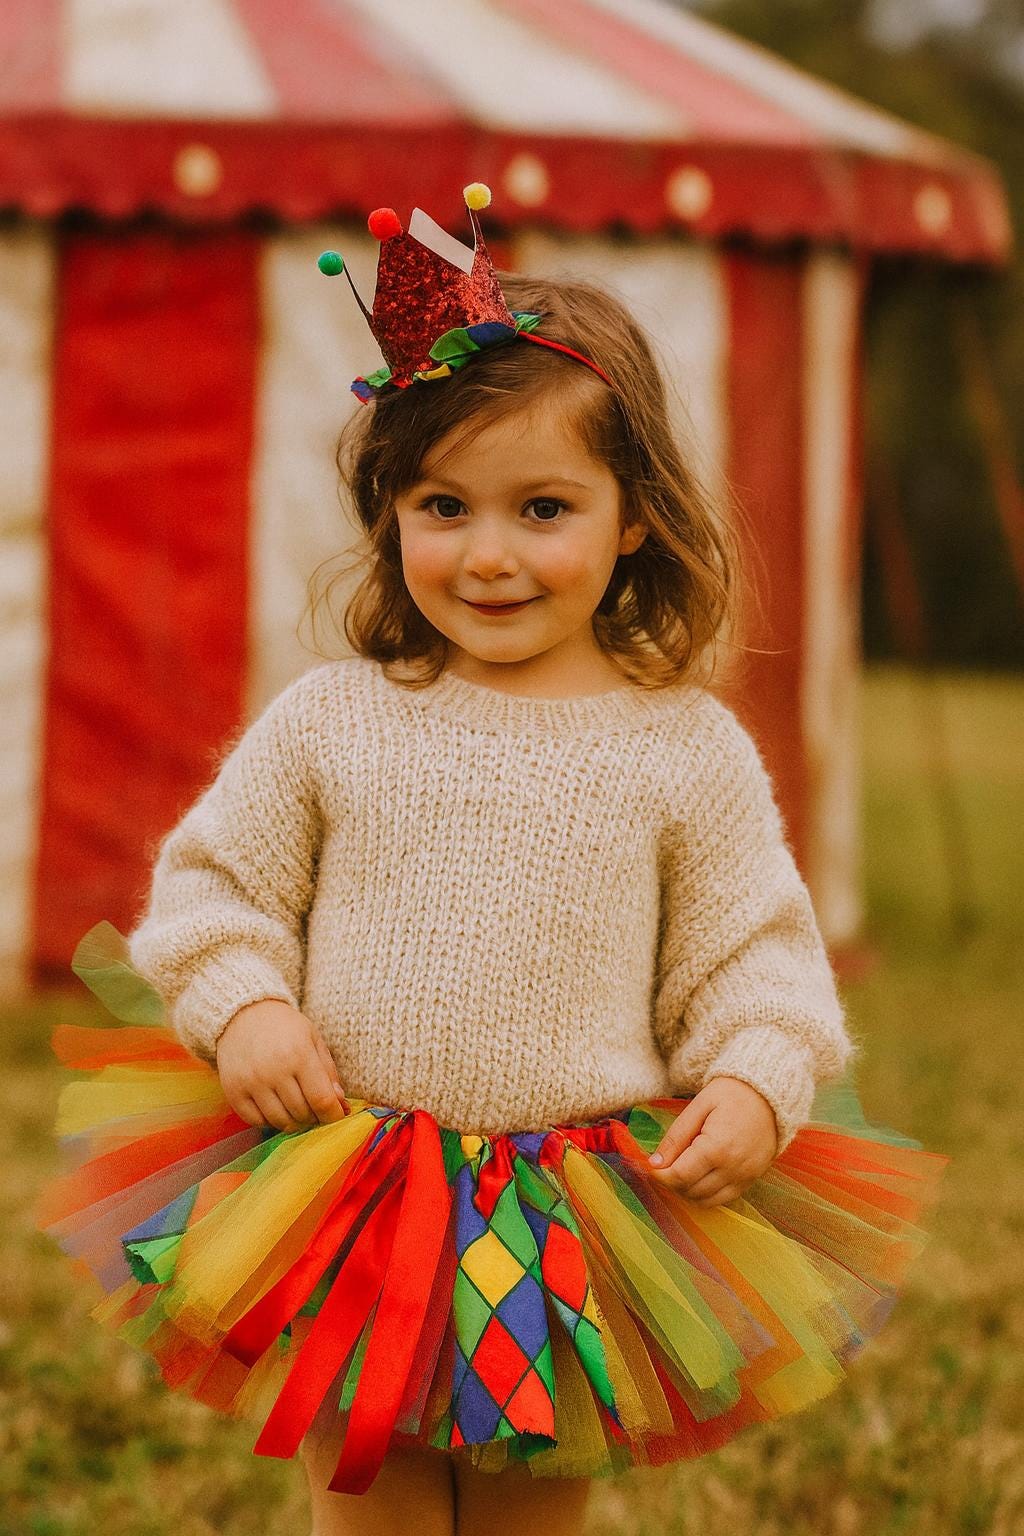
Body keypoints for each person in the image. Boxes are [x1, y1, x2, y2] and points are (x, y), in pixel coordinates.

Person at [37, 185, 949, 1536]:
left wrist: (756, 1077)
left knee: (530, 1512)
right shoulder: (337, 720)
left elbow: (752, 953)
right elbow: (216, 887)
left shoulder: (680, 749)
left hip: (575, 1213)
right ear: (391, 512)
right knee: (374, 1506)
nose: (489, 555)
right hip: (358, 1190)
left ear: (632, 517)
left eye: (544, 508)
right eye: (445, 505)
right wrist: (248, 1005)